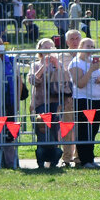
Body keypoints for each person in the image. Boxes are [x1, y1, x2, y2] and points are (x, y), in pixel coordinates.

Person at [68, 37, 100, 168]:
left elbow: (96, 77)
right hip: (82, 100)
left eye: (92, 46)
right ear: (81, 47)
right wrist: (91, 70)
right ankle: (84, 160)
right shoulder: (76, 63)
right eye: (88, 46)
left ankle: (90, 159)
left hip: (96, 100)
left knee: (93, 130)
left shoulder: (93, 62)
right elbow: (80, 83)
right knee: (84, 131)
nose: (90, 49)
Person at [29, 38, 65, 169]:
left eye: (51, 48)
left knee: (55, 131)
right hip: (41, 102)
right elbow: (32, 80)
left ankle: (54, 160)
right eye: (45, 48)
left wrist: (57, 65)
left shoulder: (58, 64)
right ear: (40, 51)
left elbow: (65, 80)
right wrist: (44, 66)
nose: (49, 51)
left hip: (56, 102)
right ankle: (41, 161)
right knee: (42, 131)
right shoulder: (35, 64)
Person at [0, 35, 20, 168]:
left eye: (2, 44)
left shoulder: (10, 60)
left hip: (8, 101)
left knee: (10, 134)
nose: (0, 47)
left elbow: (17, 80)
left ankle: (11, 164)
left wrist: (16, 101)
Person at [59, 29, 82, 167]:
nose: (75, 41)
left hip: (85, 96)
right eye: (72, 39)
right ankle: (66, 158)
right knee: (67, 128)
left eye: (77, 38)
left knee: (82, 128)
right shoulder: (61, 55)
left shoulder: (86, 54)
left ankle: (79, 157)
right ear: (67, 42)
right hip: (67, 97)